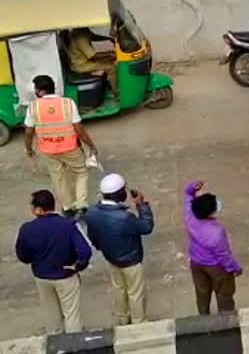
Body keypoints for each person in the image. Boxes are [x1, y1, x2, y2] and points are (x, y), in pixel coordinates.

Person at [15, 190, 92, 334]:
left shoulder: (26, 229)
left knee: (52, 315)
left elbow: (23, 256)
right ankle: (73, 345)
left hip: (42, 277)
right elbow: (85, 251)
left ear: (38, 210)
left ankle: (56, 343)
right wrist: (78, 266)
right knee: (72, 315)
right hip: (66, 275)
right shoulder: (68, 225)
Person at [84, 174, 154, 325]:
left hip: (111, 258)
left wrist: (102, 248)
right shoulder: (124, 217)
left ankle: (122, 318)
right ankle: (138, 321)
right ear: (119, 193)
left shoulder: (91, 213)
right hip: (131, 260)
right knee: (135, 293)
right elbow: (146, 227)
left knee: (118, 289)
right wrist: (142, 205)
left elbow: (92, 236)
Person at [25, 74, 98, 218]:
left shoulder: (33, 107)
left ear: (40, 92)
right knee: (81, 172)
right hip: (70, 148)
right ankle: (81, 206)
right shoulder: (68, 103)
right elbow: (79, 130)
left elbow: (28, 131)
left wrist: (29, 149)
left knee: (58, 177)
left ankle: (68, 207)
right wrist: (91, 146)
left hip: (48, 150)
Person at [183, 180, 242, 315]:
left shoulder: (190, 216)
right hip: (216, 268)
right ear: (210, 214)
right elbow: (223, 256)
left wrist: (191, 188)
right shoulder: (217, 232)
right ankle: (225, 321)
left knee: (202, 293)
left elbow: (187, 196)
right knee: (224, 295)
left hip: (196, 263)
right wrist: (235, 268)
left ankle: (203, 318)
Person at [67, 28, 118, 94]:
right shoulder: (80, 38)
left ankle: (110, 84)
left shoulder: (83, 31)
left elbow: (94, 37)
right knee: (112, 66)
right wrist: (109, 53)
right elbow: (93, 55)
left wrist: (109, 39)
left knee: (111, 59)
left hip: (84, 60)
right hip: (81, 65)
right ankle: (116, 92)